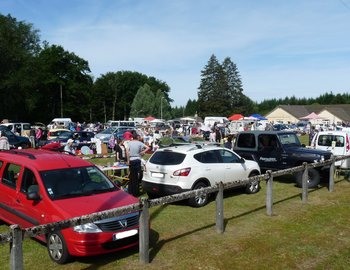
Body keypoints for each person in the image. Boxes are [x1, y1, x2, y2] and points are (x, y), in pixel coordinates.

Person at [126, 132, 150, 197]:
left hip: (132, 160)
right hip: (137, 160)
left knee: (132, 176)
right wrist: (143, 152)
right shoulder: (139, 143)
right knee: (136, 177)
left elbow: (127, 151)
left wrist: (128, 160)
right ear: (137, 137)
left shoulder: (129, 143)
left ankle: (131, 191)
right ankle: (135, 192)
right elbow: (148, 147)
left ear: (132, 137)